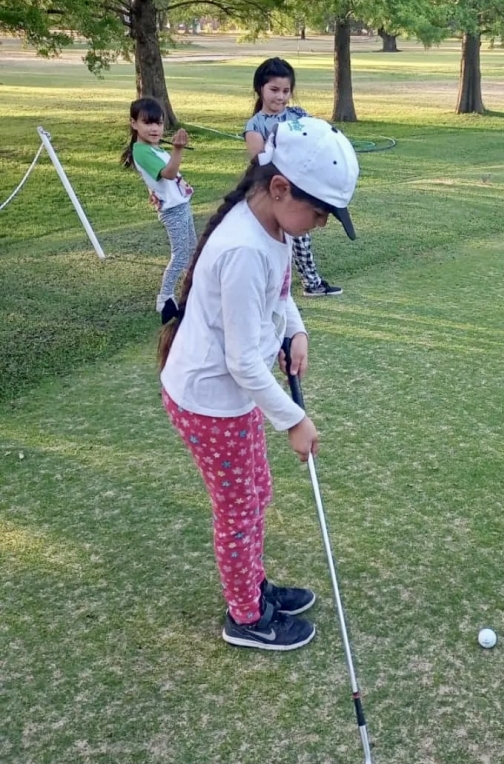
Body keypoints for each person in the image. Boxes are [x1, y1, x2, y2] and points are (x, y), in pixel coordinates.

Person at [158, 116, 359, 651]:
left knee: (256, 492)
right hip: (209, 399)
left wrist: (295, 330)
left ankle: (253, 585)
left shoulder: (272, 228)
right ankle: (245, 616)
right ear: (278, 187)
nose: (319, 224)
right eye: (317, 213)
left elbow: (282, 292)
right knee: (239, 509)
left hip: (232, 394)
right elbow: (245, 361)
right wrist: (294, 419)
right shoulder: (245, 248)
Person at [244, 57, 347, 297]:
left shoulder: (298, 114)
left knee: (301, 240)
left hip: (299, 191)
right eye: (274, 90)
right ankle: (275, 289)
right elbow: (259, 162)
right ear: (260, 88)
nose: (280, 97)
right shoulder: (255, 125)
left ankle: (310, 283)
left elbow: (316, 137)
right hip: (273, 195)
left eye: (285, 91)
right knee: (275, 243)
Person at [121, 97, 197, 322]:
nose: (155, 128)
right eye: (148, 123)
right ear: (134, 124)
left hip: (181, 205)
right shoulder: (142, 151)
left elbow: (164, 179)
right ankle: (164, 298)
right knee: (181, 255)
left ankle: (193, 292)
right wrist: (178, 149)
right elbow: (169, 174)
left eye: (159, 123)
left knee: (192, 250)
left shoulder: (154, 149)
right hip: (172, 211)